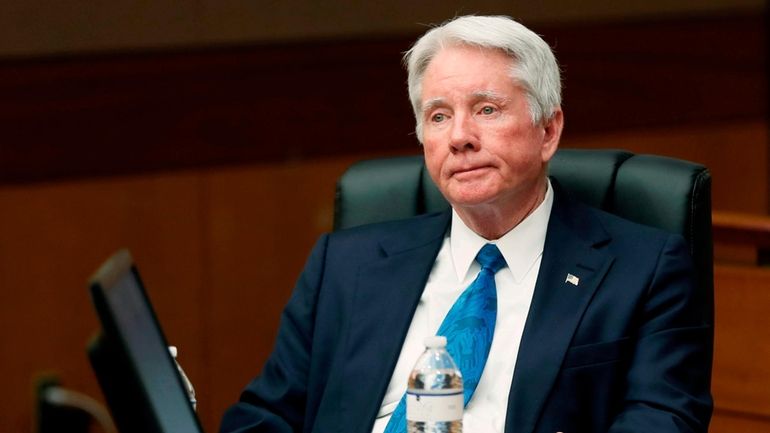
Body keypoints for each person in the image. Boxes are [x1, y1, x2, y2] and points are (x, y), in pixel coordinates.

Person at [220, 15, 713, 433]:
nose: (460, 137)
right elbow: (264, 417)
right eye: (438, 116)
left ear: (549, 130)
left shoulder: (644, 271)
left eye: (487, 110)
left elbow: (661, 420)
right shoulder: (344, 266)